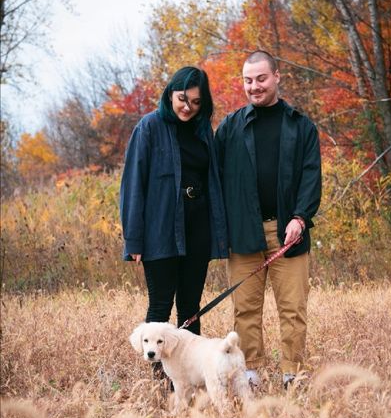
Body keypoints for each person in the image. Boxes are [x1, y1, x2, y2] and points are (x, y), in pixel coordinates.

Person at [215, 50, 321, 389]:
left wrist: (300, 218)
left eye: (261, 78)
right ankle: (252, 375)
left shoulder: (300, 125)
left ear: (277, 76)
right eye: (248, 80)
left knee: (292, 310)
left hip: (288, 232)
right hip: (243, 233)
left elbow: (310, 176)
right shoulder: (230, 127)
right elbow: (213, 179)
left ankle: (293, 375)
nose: (254, 86)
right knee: (245, 311)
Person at [120, 66, 228, 378]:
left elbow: (215, 180)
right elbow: (133, 186)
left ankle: (187, 378)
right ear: (171, 94)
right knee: (160, 307)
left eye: (196, 102)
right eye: (183, 99)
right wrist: (134, 239)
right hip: (160, 233)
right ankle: (158, 378)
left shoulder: (203, 131)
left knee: (190, 310)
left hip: (198, 230)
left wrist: (220, 234)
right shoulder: (149, 127)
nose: (187, 107)